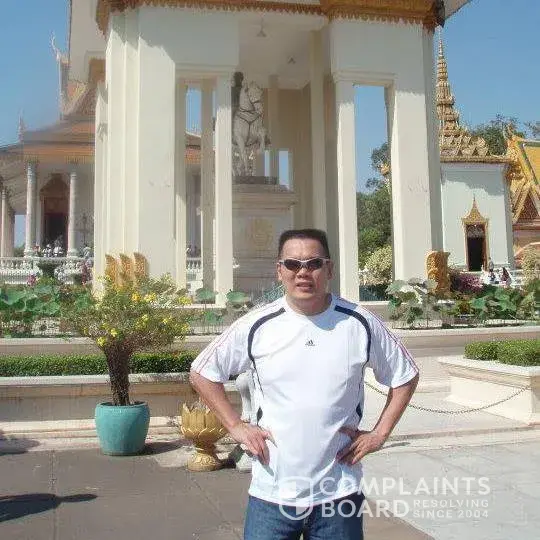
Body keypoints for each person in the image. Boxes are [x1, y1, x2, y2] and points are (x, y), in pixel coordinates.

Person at [190, 229, 419, 540]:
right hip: (272, 493)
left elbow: (406, 375)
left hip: (338, 493)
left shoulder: (359, 322)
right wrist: (235, 426)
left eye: (313, 263)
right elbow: (202, 372)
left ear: (329, 269)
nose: (303, 272)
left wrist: (380, 434)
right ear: (279, 270)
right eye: (292, 264)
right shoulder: (257, 324)